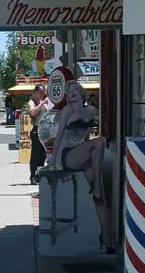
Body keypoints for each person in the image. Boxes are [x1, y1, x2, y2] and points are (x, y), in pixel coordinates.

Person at [53, 80, 113, 253]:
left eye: (74, 95)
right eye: (69, 97)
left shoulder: (93, 111)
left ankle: (106, 238)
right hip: (69, 154)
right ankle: (97, 187)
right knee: (99, 142)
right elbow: (58, 137)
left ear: (82, 94)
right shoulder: (66, 112)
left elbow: (103, 127)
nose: (71, 99)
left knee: (101, 201)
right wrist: (53, 158)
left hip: (86, 154)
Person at [27, 83, 49, 185]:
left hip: (45, 130)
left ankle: (40, 175)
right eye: (40, 93)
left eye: (43, 93)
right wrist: (41, 104)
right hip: (36, 129)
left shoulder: (43, 102)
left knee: (43, 155)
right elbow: (33, 112)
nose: (41, 95)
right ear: (35, 92)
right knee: (35, 155)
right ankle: (33, 176)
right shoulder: (32, 102)